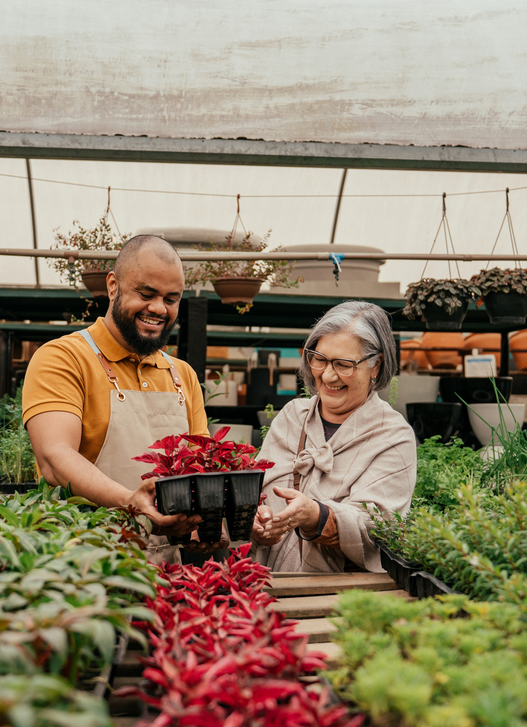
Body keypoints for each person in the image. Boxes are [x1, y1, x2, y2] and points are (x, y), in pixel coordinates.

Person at [23, 234, 211, 554]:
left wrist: (207, 522)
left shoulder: (182, 376)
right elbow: (54, 458)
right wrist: (129, 502)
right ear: (113, 286)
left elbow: (202, 472)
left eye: (171, 298)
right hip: (85, 560)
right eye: (146, 293)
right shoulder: (63, 357)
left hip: (170, 565)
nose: (158, 308)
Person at [250, 301, 416, 572]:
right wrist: (256, 522)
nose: (327, 375)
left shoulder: (393, 437)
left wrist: (314, 515)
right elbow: (259, 493)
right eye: (320, 359)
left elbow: (378, 528)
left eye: (343, 364)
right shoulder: (293, 417)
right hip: (268, 583)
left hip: (342, 598)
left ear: (376, 365)